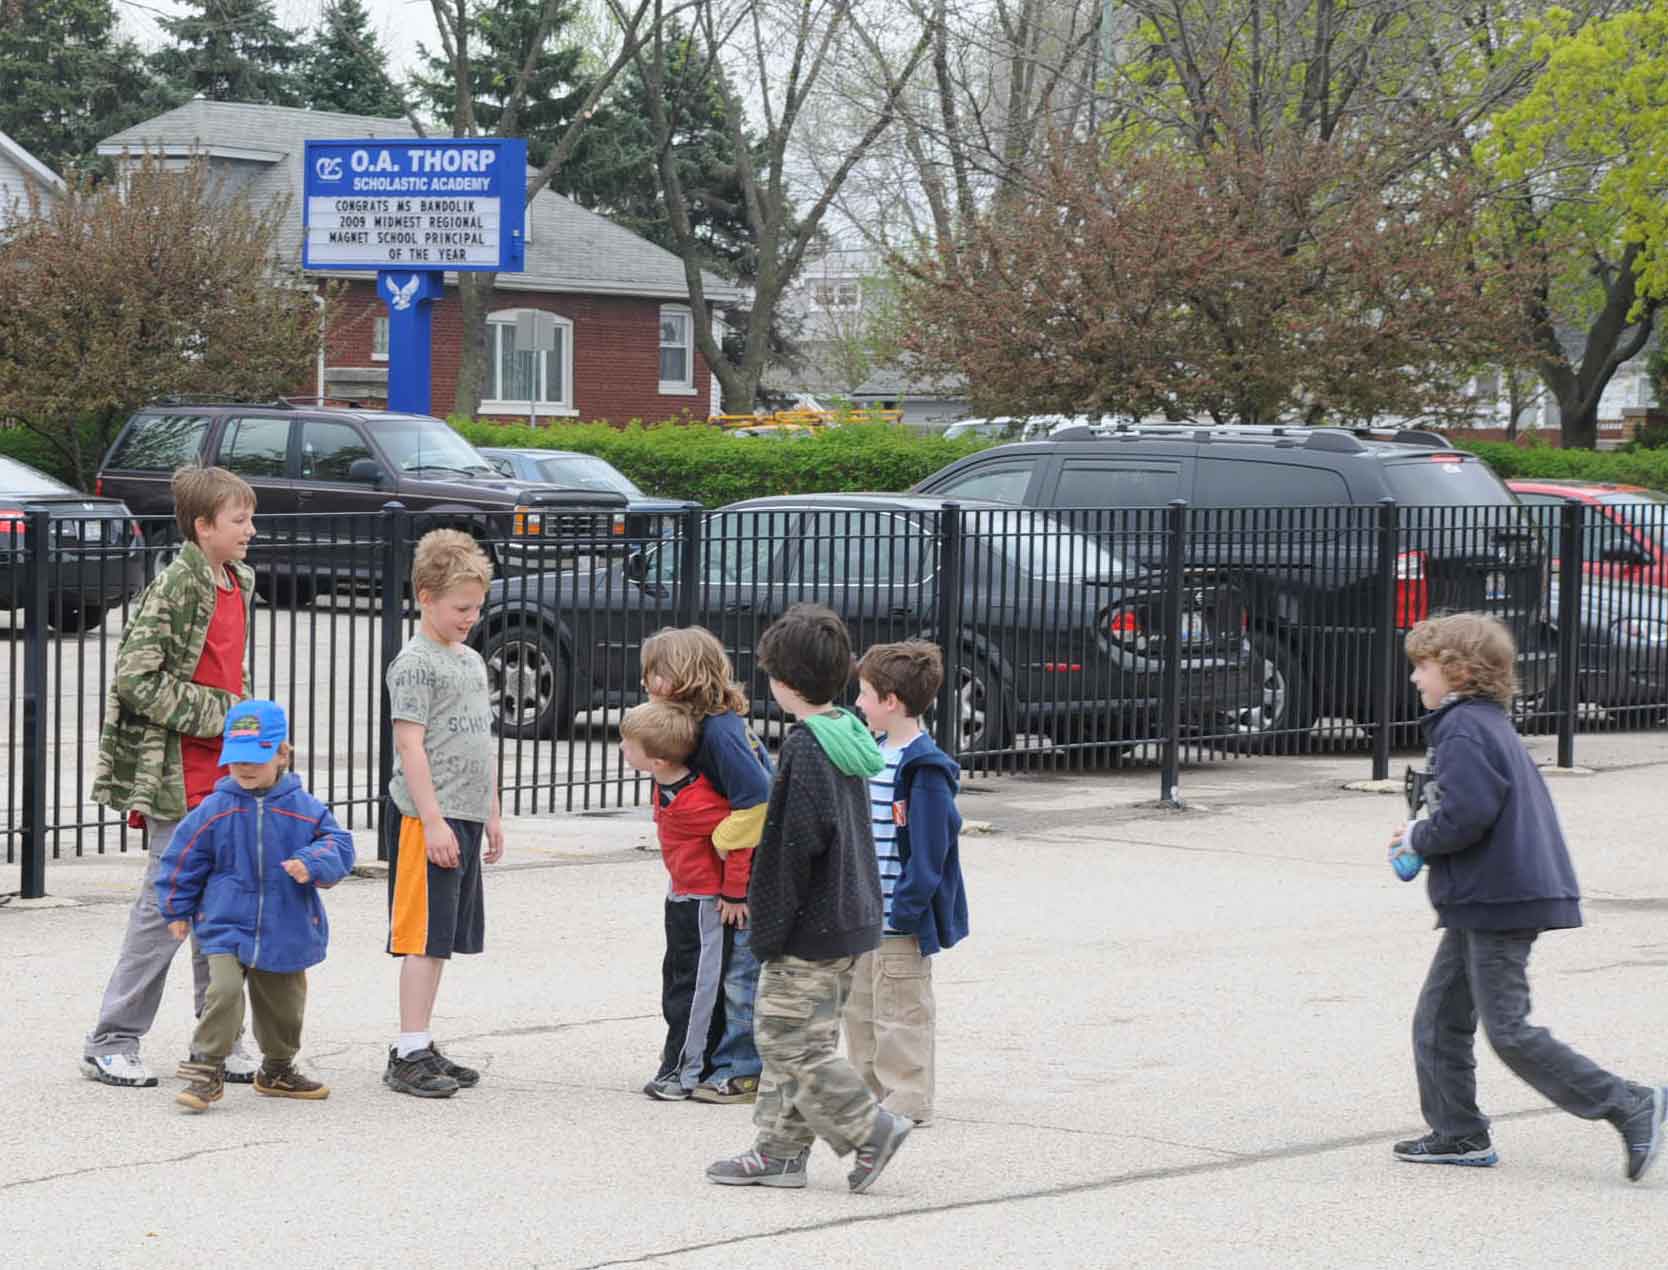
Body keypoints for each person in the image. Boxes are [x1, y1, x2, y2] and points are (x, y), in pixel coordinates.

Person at [1390, 612, 1666, 1180]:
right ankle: (1458, 1132)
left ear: (1460, 671)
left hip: (1499, 898)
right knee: (1439, 1019)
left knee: (1509, 1029)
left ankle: (1630, 1102)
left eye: (1423, 667)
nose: (1416, 679)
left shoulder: (1464, 730)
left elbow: (1467, 816)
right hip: (1487, 896)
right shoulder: (1483, 722)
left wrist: (1418, 835)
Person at [705, 603, 913, 1195]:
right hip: (849, 916)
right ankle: (777, 1153)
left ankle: (869, 1128)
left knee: (782, 1037)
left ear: (782, 681)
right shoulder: (846, 732)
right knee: (803, 1040)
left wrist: (768, 926)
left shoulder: (806, 746)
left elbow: (796, 843)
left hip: (809, 924)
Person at [81, 466, 260, 1088]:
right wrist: (219, 714)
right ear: (203, 526)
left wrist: (252, 727)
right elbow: (134, 678)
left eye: (249, 518)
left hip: (225, 775)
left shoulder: (238, 581)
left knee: (223, 907)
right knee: (164, 911)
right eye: (239, 520)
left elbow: (228, 674)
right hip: (174, 779)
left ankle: (218, 1039)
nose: (250, 530)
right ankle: (111, 1040)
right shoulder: (174, 588)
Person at [156, 700, 355, 1111]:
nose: (244, 769)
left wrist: (312, 863)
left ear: (282, 754)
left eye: (256, 758)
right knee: (224, 992)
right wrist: (175, 909)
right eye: (235, 760)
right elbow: (183, 858)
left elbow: (339, 845)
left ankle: (277, 1068)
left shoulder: (305, 809)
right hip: (226, 922)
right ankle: (206, 1069)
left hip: (286, 923)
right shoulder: (214, 809)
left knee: (284, 1003)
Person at [382, 529, 505, 1099]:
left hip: (467, 813)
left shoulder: (473, 660)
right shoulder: (414, 663)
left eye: (477, 608)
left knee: (444, 937)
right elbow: (410, 746)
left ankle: (421, 1040)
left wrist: (493, 811)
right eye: (461, 608)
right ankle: (408, 1050)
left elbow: (481, 739)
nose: (471, 618)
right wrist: (432, 821)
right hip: (427, 818)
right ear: (426, 596)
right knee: (422, 937)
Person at [641, 626, 772, 1103]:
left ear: (685, 676)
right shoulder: (698, 723)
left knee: (739, 975)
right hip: (723, 875)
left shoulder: (719, 731)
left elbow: (757, 802)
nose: (648, 682)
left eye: (656, 672)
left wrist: (719, 849)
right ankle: (711, 1060)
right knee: (712, 971)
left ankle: (741, 1070)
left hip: (751, 871)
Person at [846, 641, 968, 1128]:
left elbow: (931, 852)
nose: (858, 703)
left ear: (891, 701)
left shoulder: (925, 768)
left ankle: (908, 1097)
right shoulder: (874, 753)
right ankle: (869, 1092)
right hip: (863, 914)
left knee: (902, 1012)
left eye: (865, 694)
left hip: (899, 918)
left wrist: (905, 911)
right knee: (861, 1010)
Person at [619, 700, 755, 1102]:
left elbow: (743, 838)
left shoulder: (699, 800)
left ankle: (683, 1072)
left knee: (696, 988)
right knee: (676, 979)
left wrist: (733, 891)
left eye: (628, 745)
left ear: (658, 760)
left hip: (704, 903)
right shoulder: (665, 783)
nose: (622, 749)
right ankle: (680, 1060)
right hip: (680, 893)